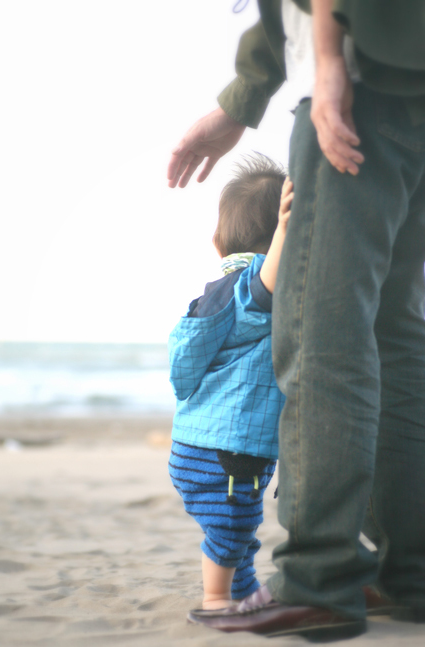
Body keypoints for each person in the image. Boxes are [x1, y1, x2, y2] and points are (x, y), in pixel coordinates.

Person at [167, 0, 425, 642]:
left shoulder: (229, 289)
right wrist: (241, 101)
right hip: (412, 88)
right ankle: (407, 575)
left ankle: (321, 579)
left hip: (358, 81)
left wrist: (331, 61)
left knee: (322, 337)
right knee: (390, 332)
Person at [168, 154, 292, 610]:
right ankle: (216, 598)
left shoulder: (212, 297)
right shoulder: (248, 291)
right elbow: (267, 284)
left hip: (194, 447)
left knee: (240, 520)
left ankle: (243, 590)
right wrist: (287, 229)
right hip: (227, 450)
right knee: (231, 526)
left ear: (217, 241)